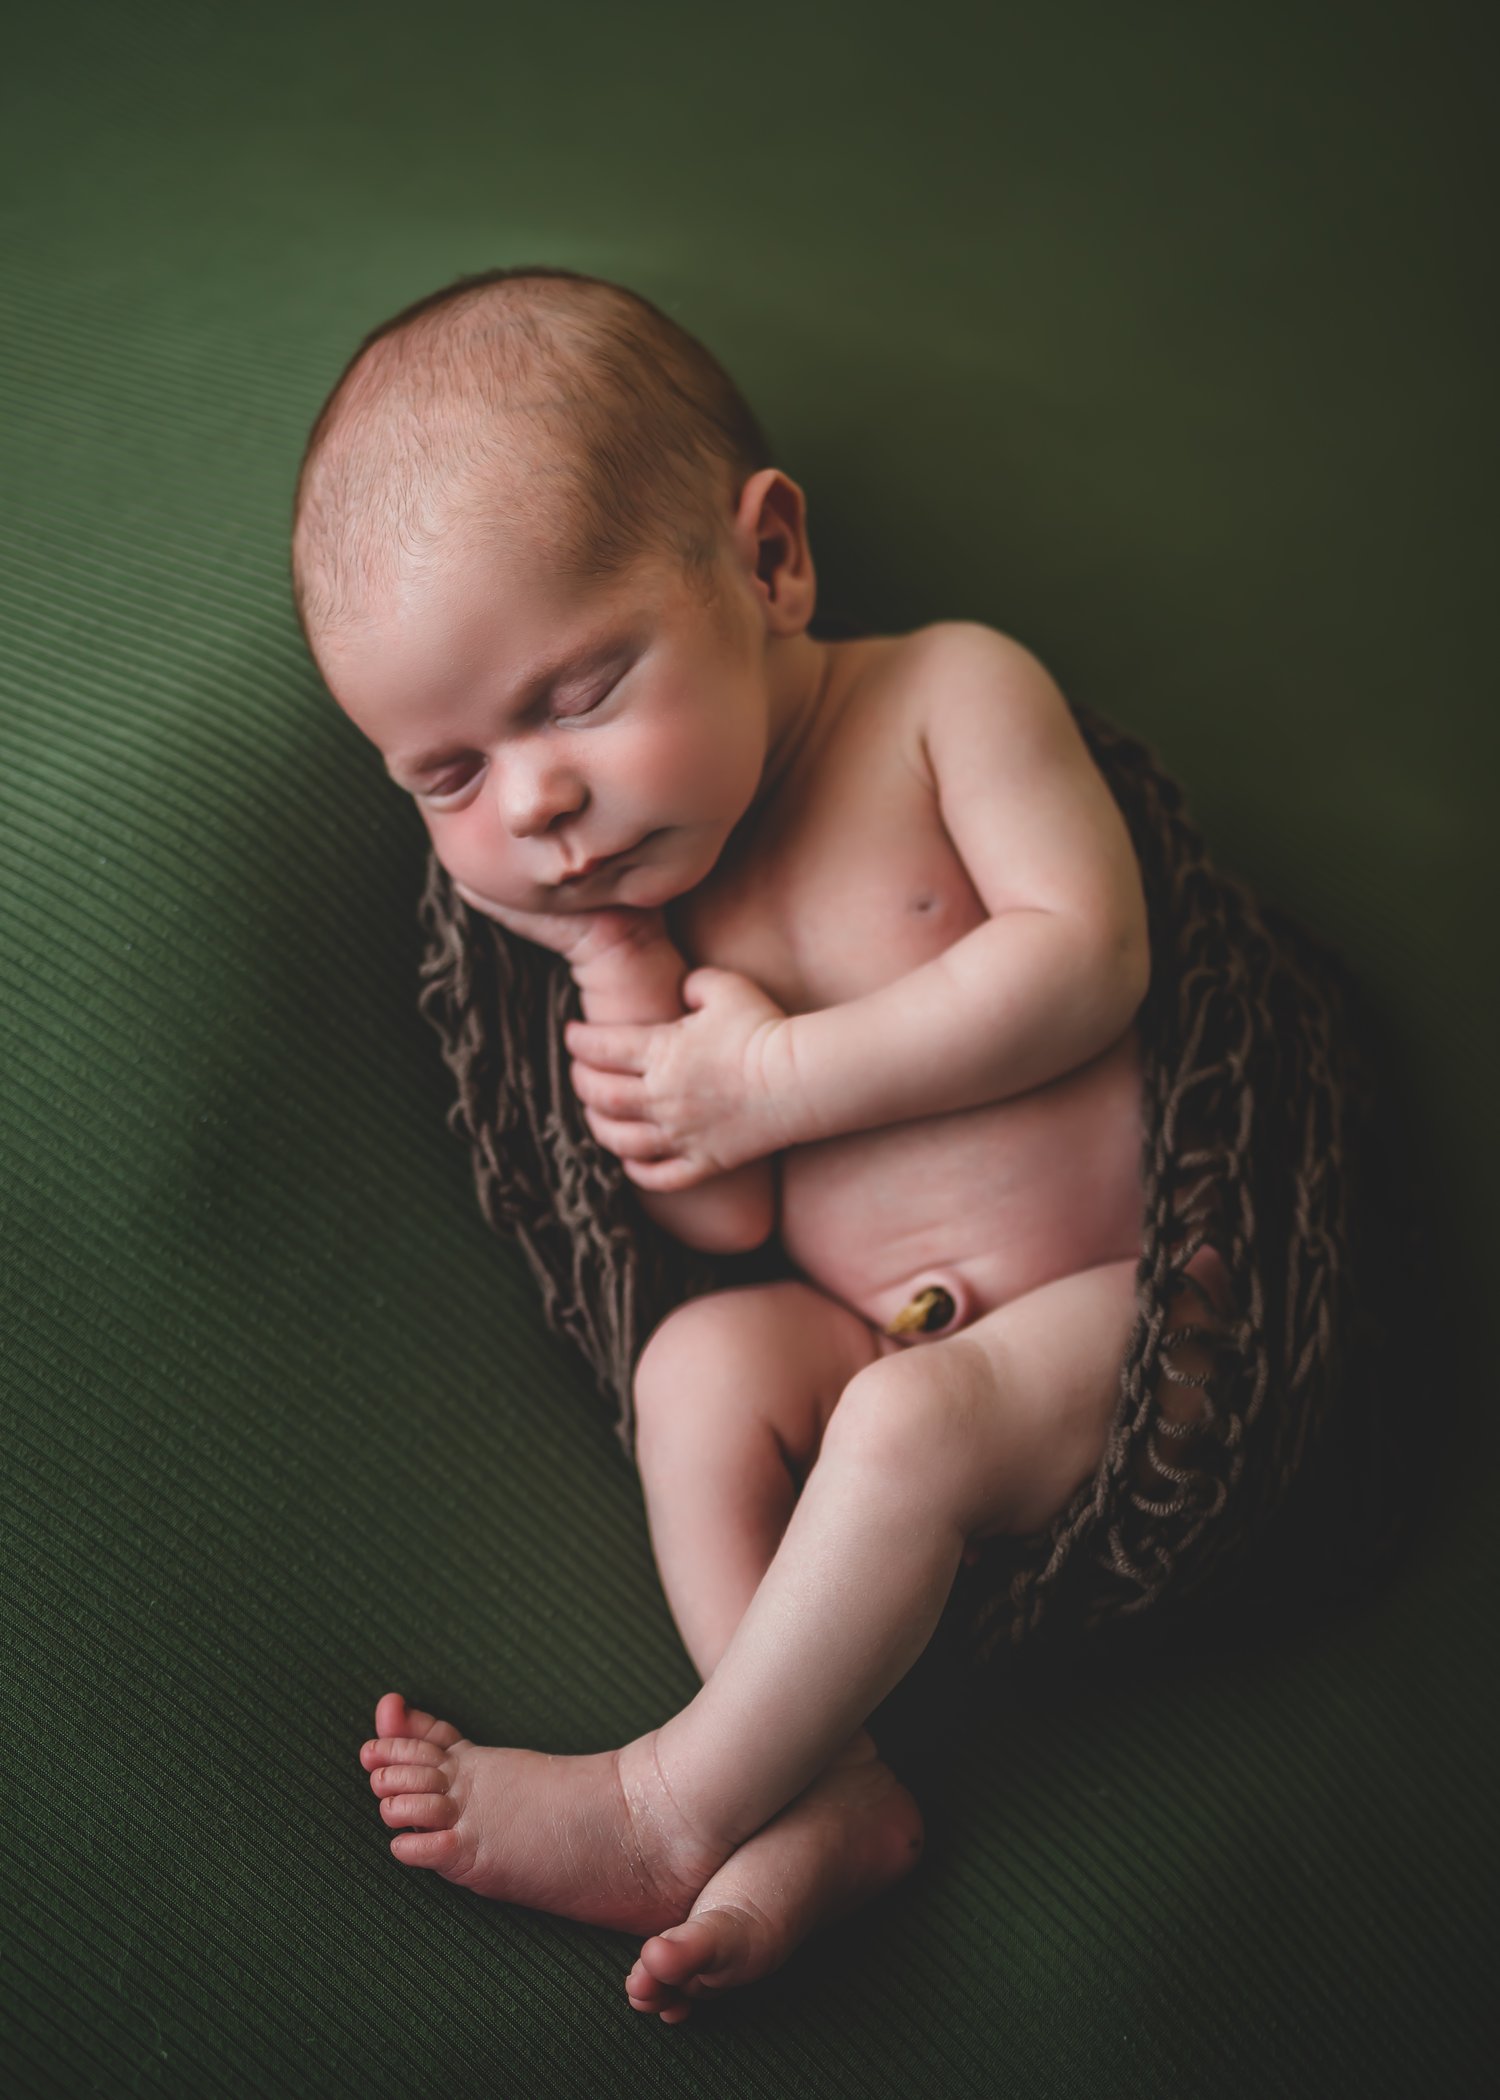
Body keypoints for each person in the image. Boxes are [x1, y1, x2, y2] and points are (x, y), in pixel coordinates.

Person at [290, 264, 1231, 2023]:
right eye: (450, 778)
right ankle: (828, 1782)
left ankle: (678, 1800)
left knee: (901, 1419)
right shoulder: (654, 906)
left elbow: (1086, 960)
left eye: (577, 694)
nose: (536, 805)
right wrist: (622, 972)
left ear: (769, 562)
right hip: (883, 1341)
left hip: (1139, 1316)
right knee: (703, 1364)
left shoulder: (948, 697)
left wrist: (783, 1076)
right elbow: (721, 1216)